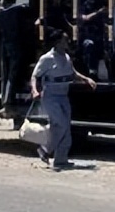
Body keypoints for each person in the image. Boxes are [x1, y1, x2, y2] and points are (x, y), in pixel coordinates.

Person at [31, 29, 96, 171]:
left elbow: (73, 72)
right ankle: (45, 149)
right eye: (65, 40)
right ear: (57, 42)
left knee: (66, 128)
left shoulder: (66, 57)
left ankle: (61, 159)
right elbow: (35, 76)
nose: (68, 42)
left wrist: (86, 79)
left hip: (63, 96)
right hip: (51, 97)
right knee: (60, 125)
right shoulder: (47, 58)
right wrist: (35, 90)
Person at [0, 0, 37, 129]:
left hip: (4, 45)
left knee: (7, 74)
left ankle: (7, 100)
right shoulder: (18, 10)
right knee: (14, 73)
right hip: (17, 46)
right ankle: (9, 102)